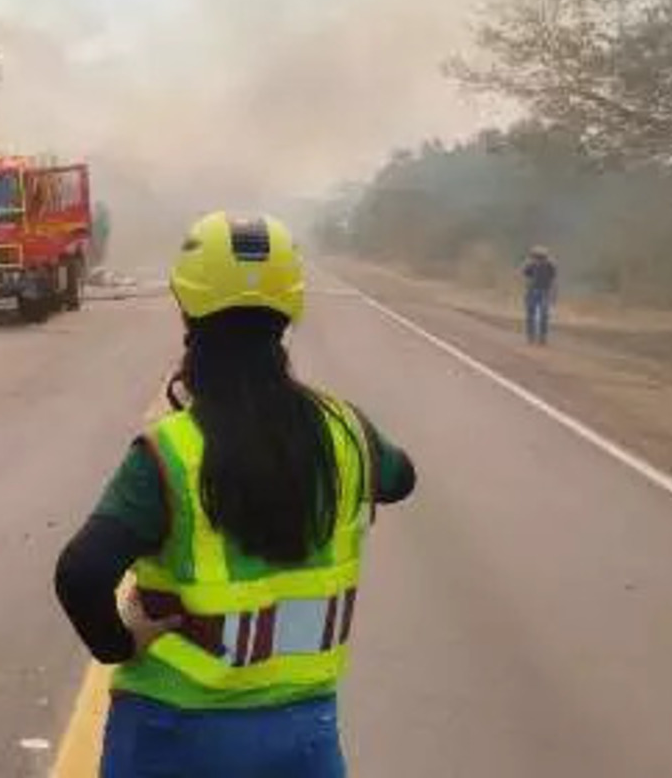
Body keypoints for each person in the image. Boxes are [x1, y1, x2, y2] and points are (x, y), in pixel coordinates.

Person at [53, 213, 418, 777]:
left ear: (187, 310)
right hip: (302, 739)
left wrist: (119, 644)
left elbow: (82, 573)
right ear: (288, 310)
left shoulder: (168, 453)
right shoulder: (346, 432)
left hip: (172, 735)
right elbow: (401, 478)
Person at [522, 246, 558, 345]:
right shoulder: (531, 265)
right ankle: (531, 336)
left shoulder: (550, 266)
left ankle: (542, 336)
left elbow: (553, 280)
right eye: (537, 257)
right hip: (533, 291)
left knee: (543, 314)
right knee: (531, 314)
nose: (538, 260)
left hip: (543, 291)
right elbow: (525, 274)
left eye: (540, 257)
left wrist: (553, 293)